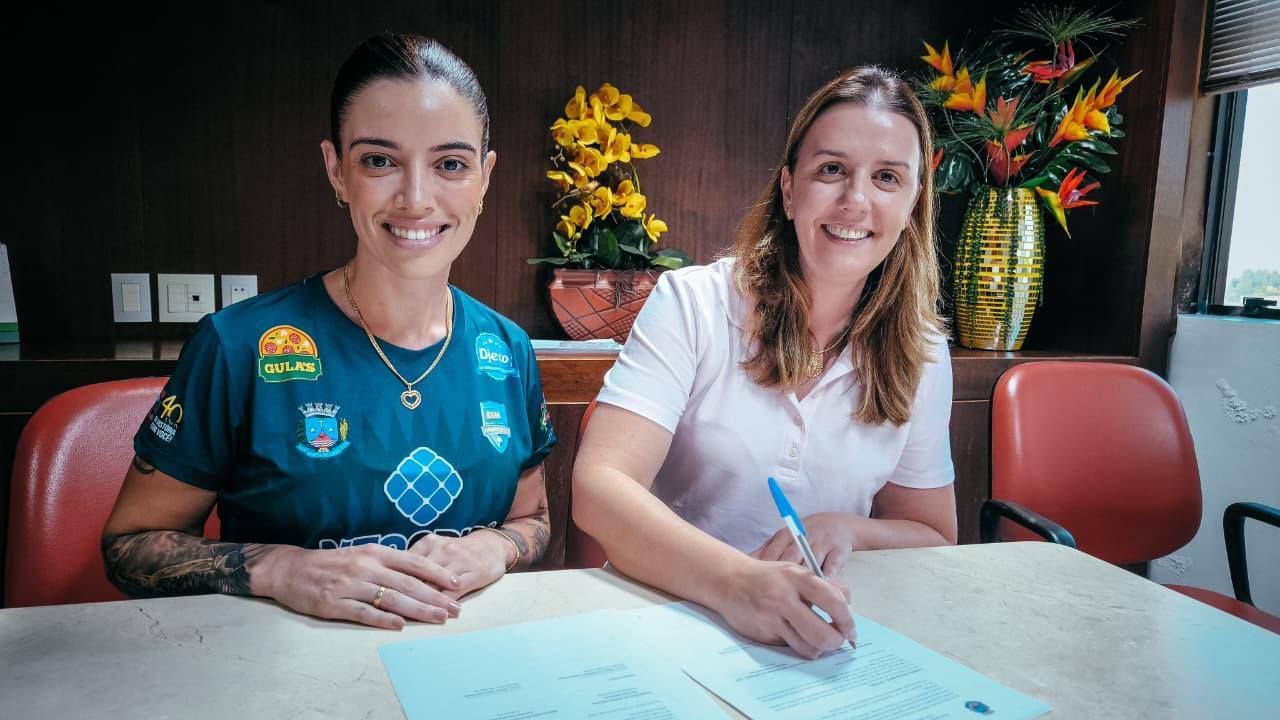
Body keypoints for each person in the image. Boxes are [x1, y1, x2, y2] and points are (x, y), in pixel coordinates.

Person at [102, 33, 555, 630]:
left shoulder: (508, 349)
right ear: (336, 170)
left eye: (450, 164)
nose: (416, 199)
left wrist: (493, 547)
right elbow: (130, 546)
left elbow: (533, 521)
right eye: (379, 160)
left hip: (460, 660)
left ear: (485, 177)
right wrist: (281, 569)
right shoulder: (238, 345)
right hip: (282, 664)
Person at [572, 66, 957, 658]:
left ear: (912, 204)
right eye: (831, 170)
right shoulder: (693, 303)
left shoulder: (923, 351)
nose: (856, 201)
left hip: (821, 639)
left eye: (886, 178)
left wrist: (846, 529)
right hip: (673, 619)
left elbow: (933, 535)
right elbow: (599, 486)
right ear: (789, 189)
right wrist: (739, 585)